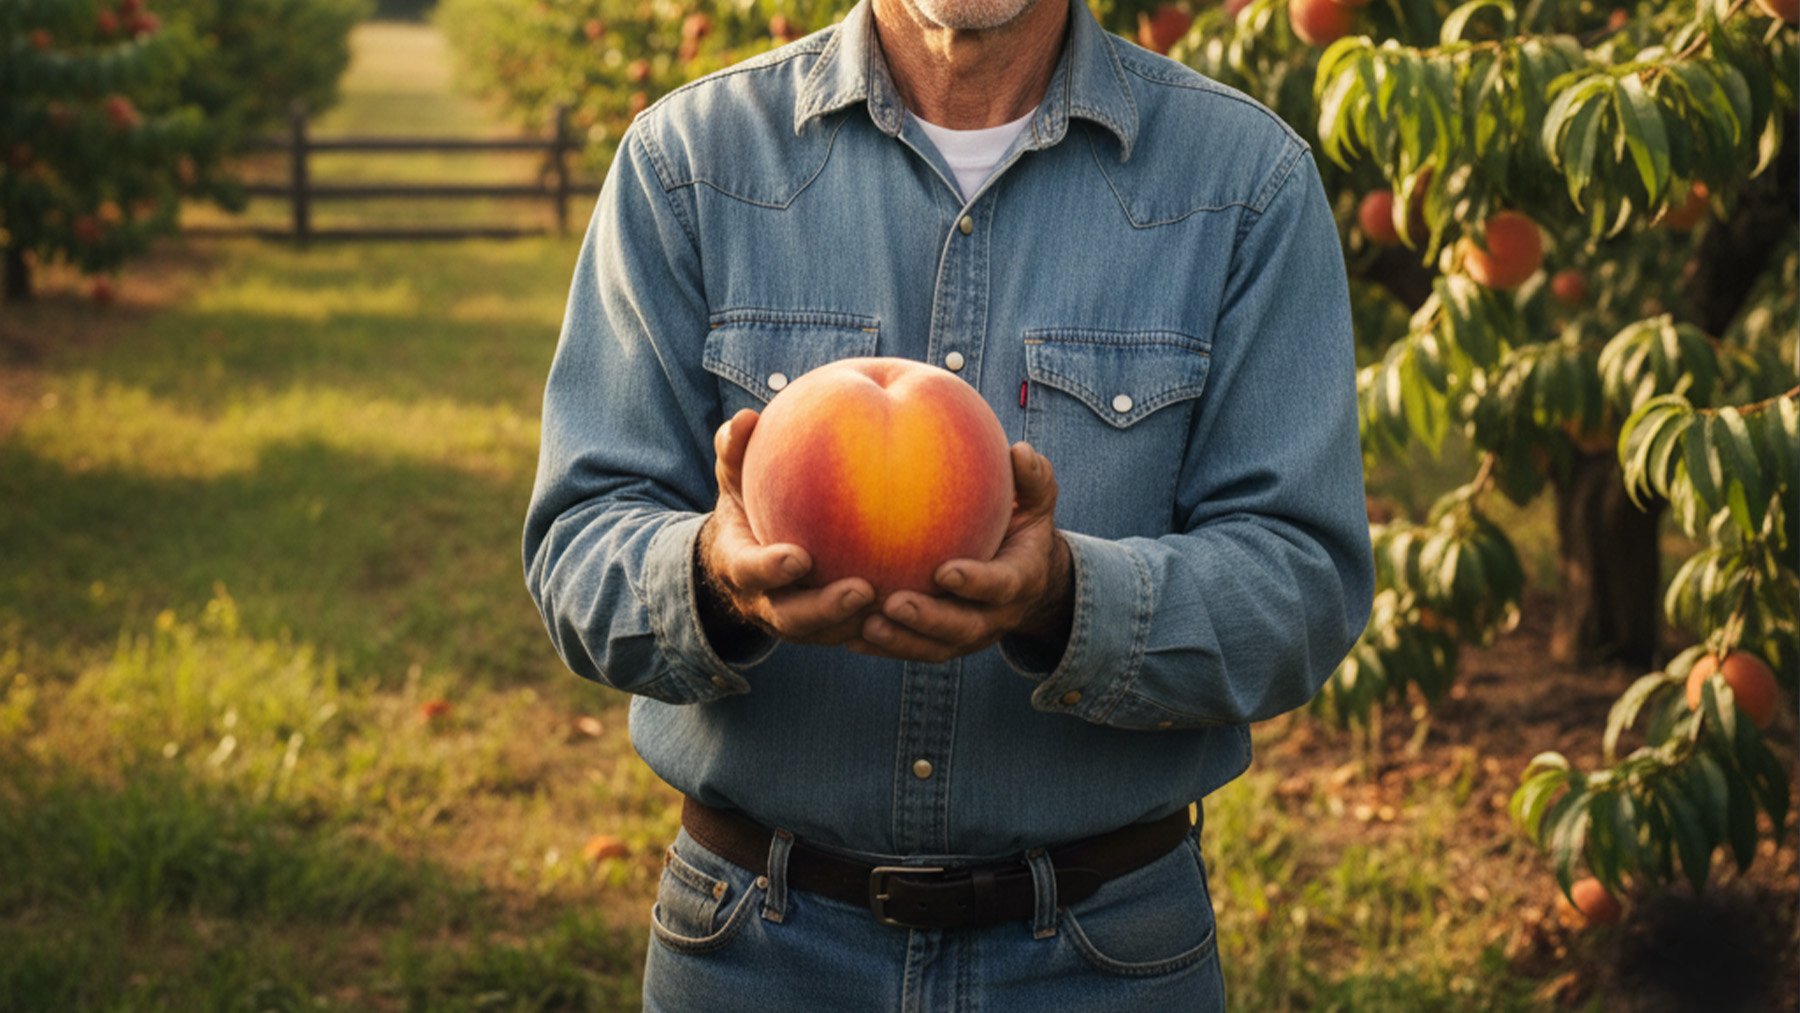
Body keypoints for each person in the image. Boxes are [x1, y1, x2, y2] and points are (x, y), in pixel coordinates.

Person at [522, 0, 1373, 1006]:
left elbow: (1301, 588)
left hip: (1102, 955)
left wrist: (1067, 598)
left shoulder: (1242, 183)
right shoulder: (691, 163)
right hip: (759, 946)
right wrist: (713, 576)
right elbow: (578, 546)